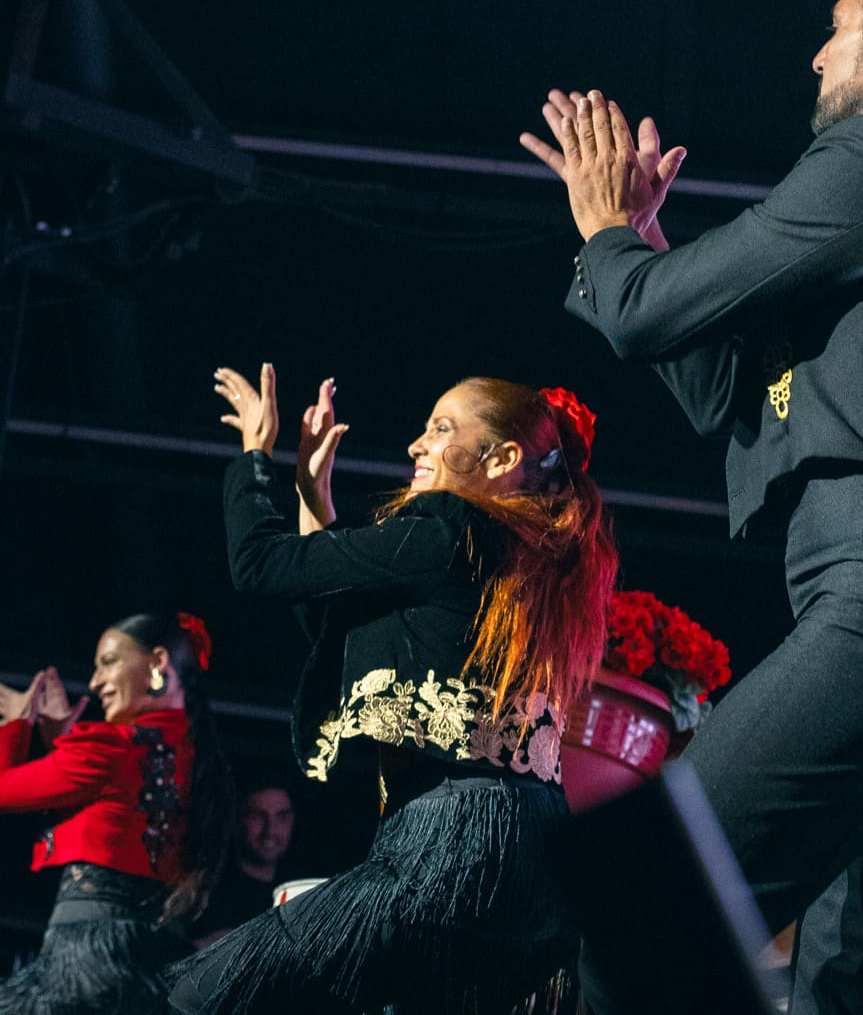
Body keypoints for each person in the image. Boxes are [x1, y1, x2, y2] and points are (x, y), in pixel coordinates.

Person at [519, 0, 863, 1014]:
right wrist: (652, 241)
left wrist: (608, 236)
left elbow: (637, 313)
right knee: (850, 996)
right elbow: (732, 396)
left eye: (837, 27)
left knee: (641, 899)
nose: (818, 56)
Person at [166, 366, 618, 1013]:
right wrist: (314, 495)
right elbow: (335, 615)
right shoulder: (527, 552)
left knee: (199, 994)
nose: (416, 445)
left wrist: (256, 458)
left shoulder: (448, 523)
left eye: (441, 428)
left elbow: (260, 566)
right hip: (536, 859)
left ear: (503, 459)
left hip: (452, 839)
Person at [0, 612, 231, 1013]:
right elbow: (119, 810)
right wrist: (64, 742)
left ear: (158, 662)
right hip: (159, 962)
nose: (94, 683)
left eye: (108, 662)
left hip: (86, 962)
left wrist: (16, 723)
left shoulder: (110, 748)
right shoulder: (202, 760)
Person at [190, 766, 297, 948]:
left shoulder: (301, 892)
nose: (270, 830)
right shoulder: (205, 894)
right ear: (238, 819)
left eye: (282, 816)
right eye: (258, 816)